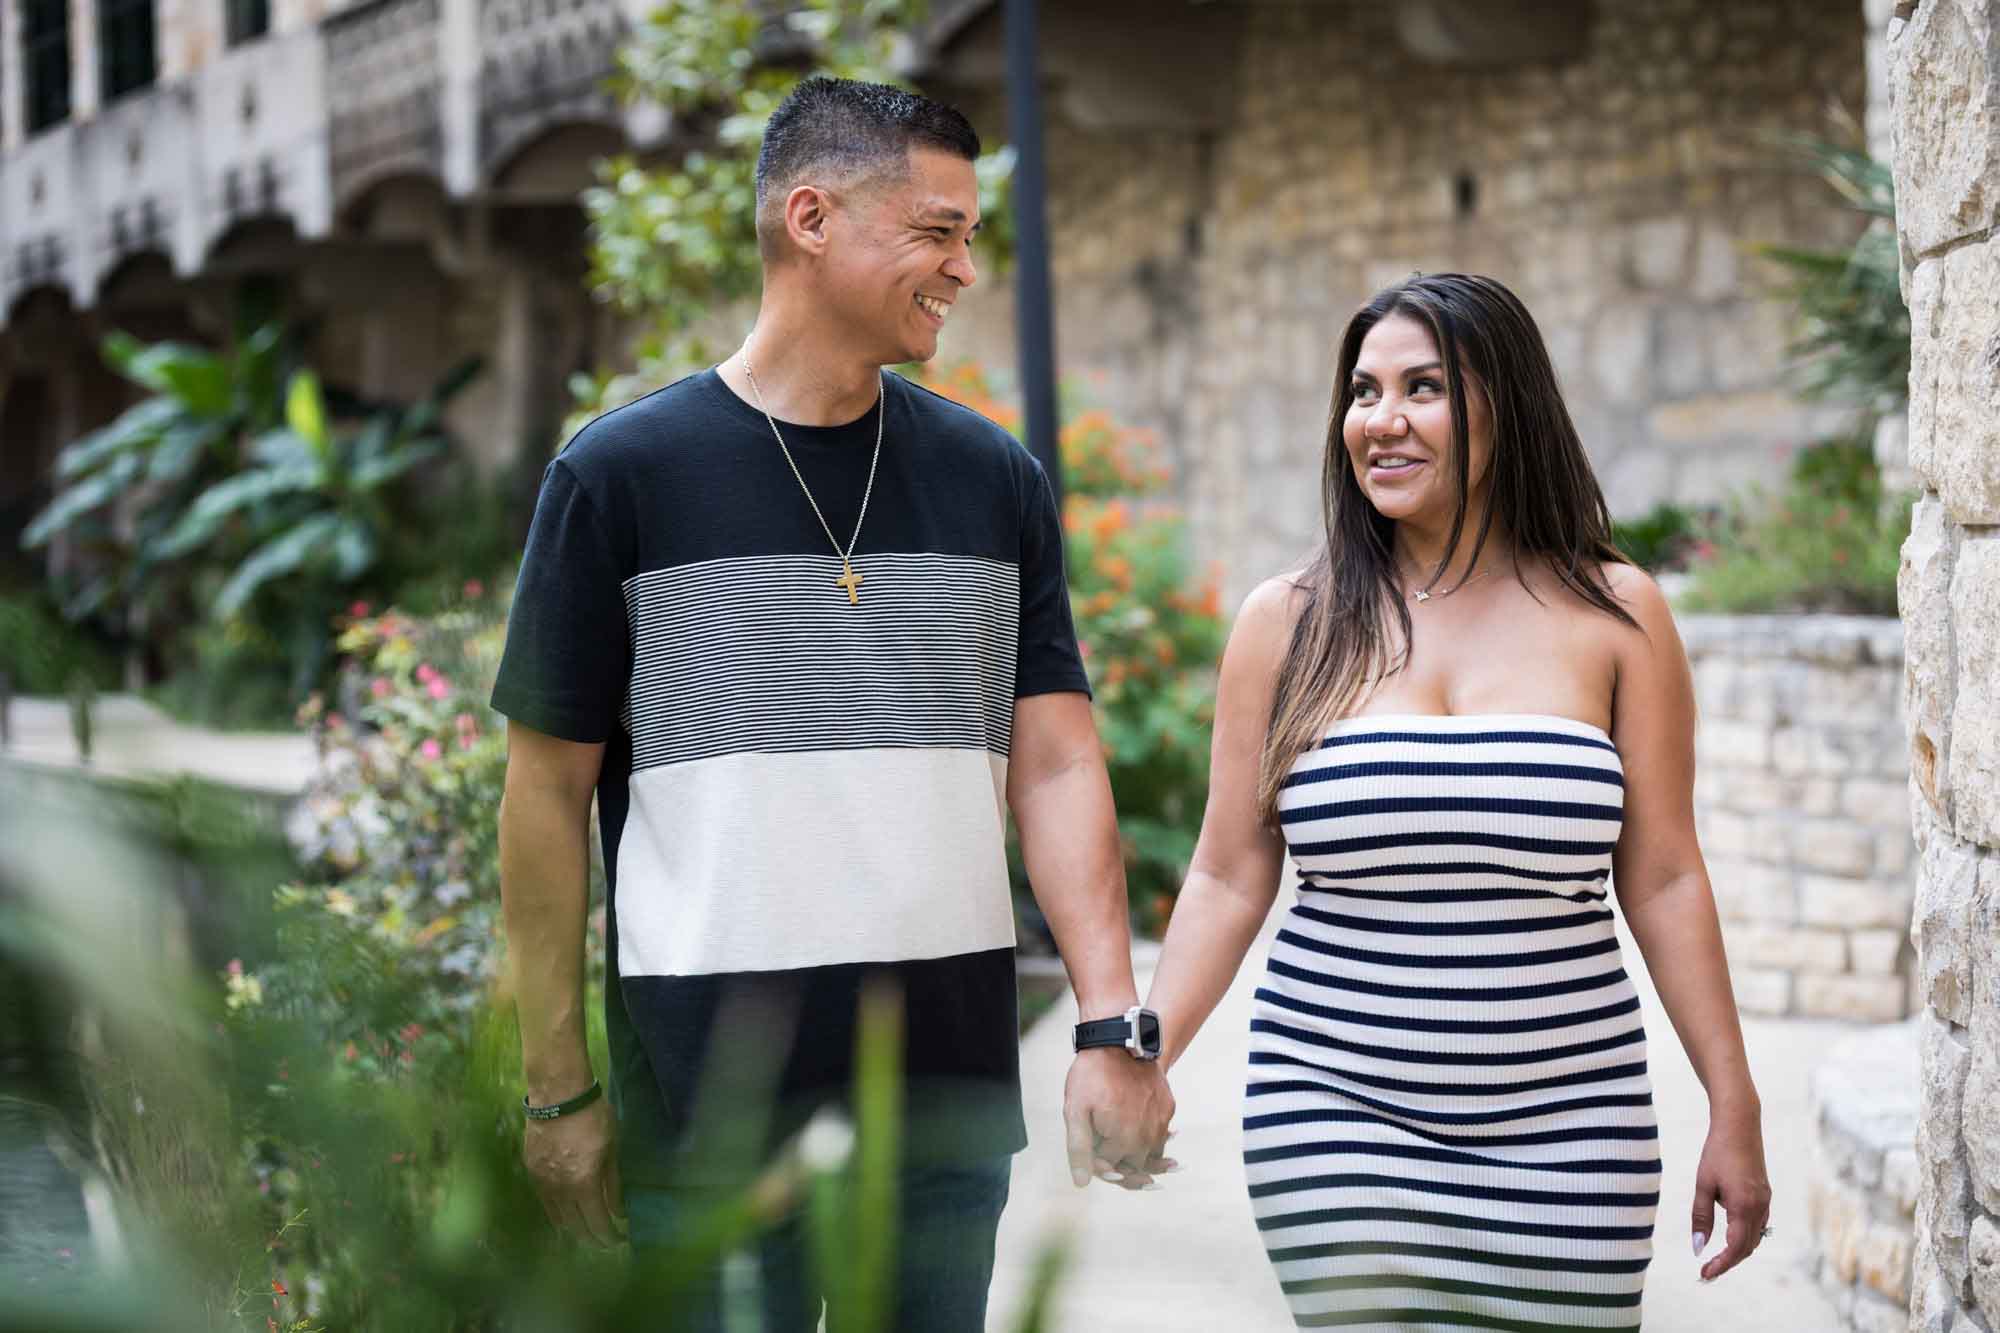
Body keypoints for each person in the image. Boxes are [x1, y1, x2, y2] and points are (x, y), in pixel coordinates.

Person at [489, 76, 1171, 1331]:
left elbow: (1059, 765)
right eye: (936, 230)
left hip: (942, 1112)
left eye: (969, 235)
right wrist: (557, 1091)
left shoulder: (991, 479)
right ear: (811, 219)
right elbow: (543, 797)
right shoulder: (617, 478)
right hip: (705, 1120)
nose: (963, 267)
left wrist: (1107, 1021)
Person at [1142, 273, 1773, 1328]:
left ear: (1501, 407)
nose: (1379, 422)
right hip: (1333, 1115)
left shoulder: (1615, 613)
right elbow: (1223, 870)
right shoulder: (1283, 622)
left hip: (1572, 1126)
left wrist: (1732, 1100)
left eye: (1422, 388)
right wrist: (1141, 1055)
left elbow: (1662, 876)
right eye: (1361, 391)